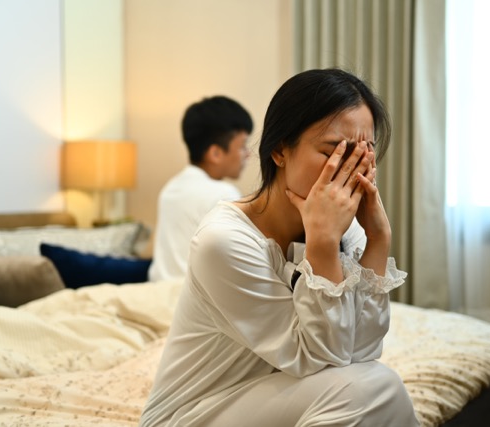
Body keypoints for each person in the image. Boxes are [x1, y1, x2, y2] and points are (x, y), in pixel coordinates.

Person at [139, 69, 419, 426]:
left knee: (374, 384)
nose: (351, 170)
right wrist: (321, 243)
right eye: (334, 152)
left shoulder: (348, 231)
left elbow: (360, 353)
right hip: (197, 412)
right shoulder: (224, 241)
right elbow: (322, 358)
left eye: (363, 154)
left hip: (275, 397)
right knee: (374, 388)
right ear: (278, 151)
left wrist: (378, 240)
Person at [148, 95, 253, 282]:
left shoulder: (171, 188)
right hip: (188, 298)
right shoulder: (223, 194)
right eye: (243, 146)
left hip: (158, 289)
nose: (248, 154)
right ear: (215, 153)